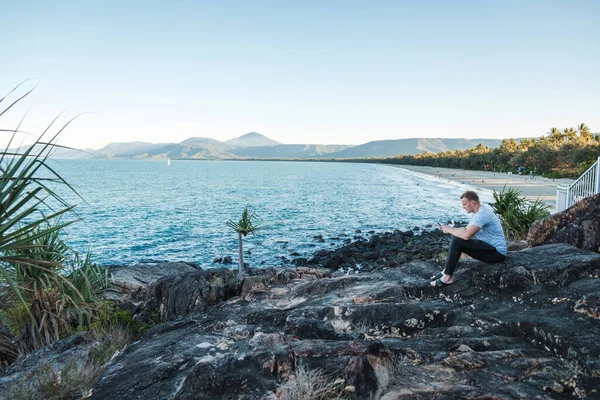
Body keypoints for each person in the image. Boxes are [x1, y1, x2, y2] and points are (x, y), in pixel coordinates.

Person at [431, 191, 506, 287]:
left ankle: (447, 278)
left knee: (457, 241)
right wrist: (450, 228)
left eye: (465, 204)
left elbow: (467, 235)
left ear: (473, 203)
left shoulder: (482, 214)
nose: (463, 207)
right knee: (456, 238)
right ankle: (446, 271)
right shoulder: (479, 212)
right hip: (489, 249)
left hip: (496, 253)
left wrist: (449, 230)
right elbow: (466, 229)